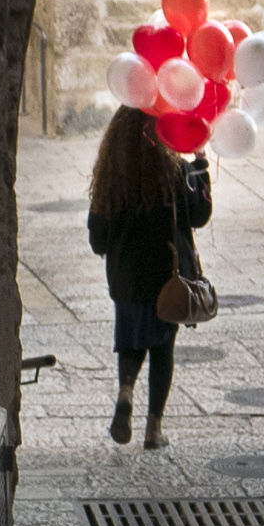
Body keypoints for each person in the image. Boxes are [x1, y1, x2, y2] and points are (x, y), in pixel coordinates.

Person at [85, 107, 212, 450]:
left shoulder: (110, 178)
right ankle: (153, 429)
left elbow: (98, 239)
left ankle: (126, 392)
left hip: (126, 279)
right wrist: (201, 165)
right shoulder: (174, 171)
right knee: (162, 347)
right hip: (165, 275)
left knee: (130, 340)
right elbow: (199, 215)